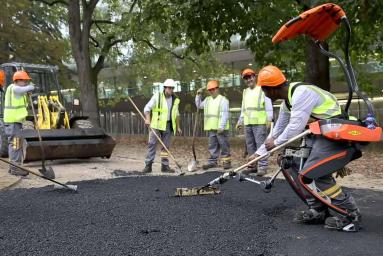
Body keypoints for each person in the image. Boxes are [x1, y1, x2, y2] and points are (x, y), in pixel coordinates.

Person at [250, 65, 361, 231]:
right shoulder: (287, 103)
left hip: (335, 132)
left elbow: (295, 127)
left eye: (264, 91)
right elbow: (278, 130)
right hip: (319, 134)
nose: (264, 94)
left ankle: (350, 213)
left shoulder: (301, 93)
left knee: (313, 172)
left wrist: (275, 143)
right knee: (293, 162)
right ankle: (318, 209)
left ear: (271, 90)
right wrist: (258, 154)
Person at [236, 68, 273, 176]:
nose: (248, 80)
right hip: (248, 123)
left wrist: (269, 119)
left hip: (260, 123)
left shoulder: (262, 89)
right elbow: (244, 109)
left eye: (250, 77)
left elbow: (268, 105)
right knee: (250, 145)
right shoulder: (245, 92)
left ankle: (263, 166)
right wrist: (240, 121)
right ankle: (253, 166)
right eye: (246, 78)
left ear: (254, 77)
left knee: (261, 145)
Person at [142, 79, 182, 173]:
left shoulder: (175, 100)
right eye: (169, 88)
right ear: (164, 88)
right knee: (152, 144)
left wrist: (178, 126)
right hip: (156, 125)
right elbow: (147, 108)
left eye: (172, 88)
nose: (171, 90)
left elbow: (177, 114)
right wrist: (148, 119)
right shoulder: (157, 96)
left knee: (165, 146)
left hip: (168, 125)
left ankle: (165, 166)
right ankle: (148, 165)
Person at [4, 70, 35, 176]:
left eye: (27, 81)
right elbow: (24, 89)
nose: (26, 83)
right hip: (13, 122)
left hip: (15, 122)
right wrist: (31, 87)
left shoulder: (18, 91)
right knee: (16, 144)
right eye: (25, 81)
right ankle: (15, 168)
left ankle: (13, 166)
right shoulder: (14, 88)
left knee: (17, 144)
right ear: (18, 80)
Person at [195, 80, 231, 170]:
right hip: (211, 128)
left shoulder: (223, 100)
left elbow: (224, 114)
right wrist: (198, 95)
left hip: (220, 128)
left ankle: (226, 162)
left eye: (213, 89)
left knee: (224, 145)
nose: (211, 91)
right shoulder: (207, 100)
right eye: (210, 90)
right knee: (212, 145)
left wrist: (222, 126)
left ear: (217, 89)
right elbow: (199, 106)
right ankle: (212, 162)